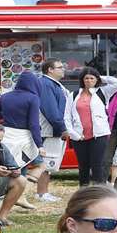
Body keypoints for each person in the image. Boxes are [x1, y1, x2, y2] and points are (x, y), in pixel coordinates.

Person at [65, 68, 117, 188]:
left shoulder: (102, 92)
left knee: (98, 165)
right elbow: (66, 116)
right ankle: (84, 190)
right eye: (86, 78)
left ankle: (99, 191)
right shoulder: (74, 95)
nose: (89, 80)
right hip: (79, 136)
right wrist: (72, 133)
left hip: (99, 135)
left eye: (92, 78)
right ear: (82, 80)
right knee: (83, 165)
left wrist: (99, 76)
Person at [0, 73, 46, 190]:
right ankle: (24, 191)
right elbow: (34, 124)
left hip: (6, 136)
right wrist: (40, 145)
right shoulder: (33, 98)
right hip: (25, 137)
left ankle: (19, 196)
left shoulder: (5, 96)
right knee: (40, 165)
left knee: (18, 167)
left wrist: (7, 117)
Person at [29, 61, 72, 204]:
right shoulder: (46, 84)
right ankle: (42, 193)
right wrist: (62, 128)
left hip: (52, 130)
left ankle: (44, 192)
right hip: (49, 130)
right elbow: (51, 111)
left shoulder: (53, 84)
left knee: (48, 164)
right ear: (50, 70)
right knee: (45, 163)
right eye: (60, 67)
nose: (63, 69)